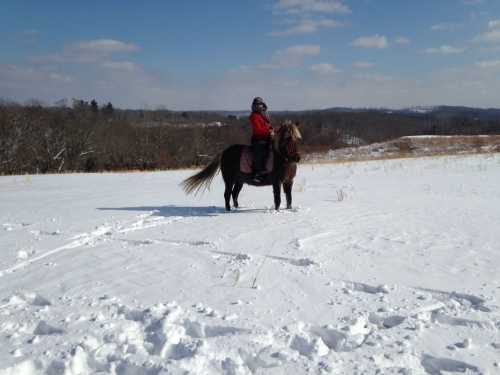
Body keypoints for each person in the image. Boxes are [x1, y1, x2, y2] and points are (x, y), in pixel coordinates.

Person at [249, 97, 274, 182]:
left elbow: (268, 125)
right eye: (256, 105)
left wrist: (272, 129)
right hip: (258, 139)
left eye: (260, 104)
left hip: (267, 137)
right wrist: (269, 131)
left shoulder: (263, 115)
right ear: (254, 106)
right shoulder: (253, 116)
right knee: (261, 151)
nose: (259, 106)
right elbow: (258, 129)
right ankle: (256, 173)